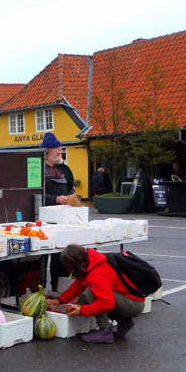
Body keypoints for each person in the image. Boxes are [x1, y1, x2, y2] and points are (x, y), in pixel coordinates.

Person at [47, 244, 145, 344]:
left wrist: (82, 310)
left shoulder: (98, 273)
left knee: (91, 293)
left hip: (133, 305)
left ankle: (105, 331)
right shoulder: (91, 262)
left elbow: (107, 303)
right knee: (83, 299)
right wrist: (60, 299)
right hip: (126, 300)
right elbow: (79, 285)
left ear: (74, 264)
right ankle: (124, 321)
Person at [41, 132, 76, 291]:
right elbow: (35, 194)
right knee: (41, 256)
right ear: (49, 151)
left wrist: (73, 198)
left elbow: (70, 189)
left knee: (61, 255)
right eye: (59, 149)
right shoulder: (39, 169)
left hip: (63, 221)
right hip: (44, 222)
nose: (62, 152)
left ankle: (57, 287)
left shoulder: (64, 170)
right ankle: (40, 286)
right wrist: (55, 199)